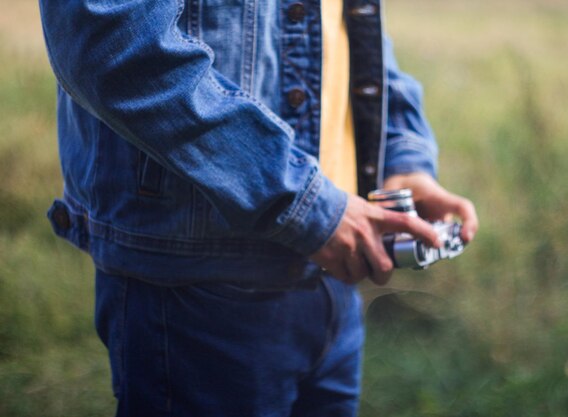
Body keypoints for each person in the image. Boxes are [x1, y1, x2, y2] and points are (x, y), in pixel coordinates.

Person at [39, 0, 478, 415]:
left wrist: (400, 156)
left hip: (334, 263)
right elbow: (109, 43)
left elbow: (349, 25)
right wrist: (306, 206)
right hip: (197, 288)